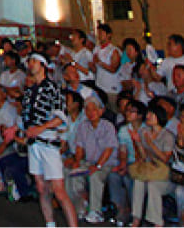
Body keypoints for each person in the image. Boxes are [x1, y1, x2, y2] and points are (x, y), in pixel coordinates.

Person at [19, 53, 78, 227]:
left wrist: (41, 128)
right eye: (30, 61)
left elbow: (61, 117)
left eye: (34, 61)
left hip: (48, 141)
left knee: (58, 190)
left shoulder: (53, 88)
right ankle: (50, 223)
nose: (31, 64)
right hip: (34, 143)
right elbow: (26, 118)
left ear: (43, 65)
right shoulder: (29, 91)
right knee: (41, 187)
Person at [65, 93, 118, 224]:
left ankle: (96, 211)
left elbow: (109, 149)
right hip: (89, 162)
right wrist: (77, 162)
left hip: (106, 164)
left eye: (94, 109)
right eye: (87, 110)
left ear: (101, 111)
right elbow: (79, 147)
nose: (91, 113)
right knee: (72, 172)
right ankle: (80, 207)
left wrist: (98, 165)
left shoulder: (108, 126)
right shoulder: (83, 126)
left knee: (95, 175)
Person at [127, 101, 174, 228]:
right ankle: (136, 219)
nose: (147, 117)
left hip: (164, 175)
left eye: (151, 115)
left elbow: (165, 159)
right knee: (138, 181)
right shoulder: (145, 131)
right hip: (150, 170)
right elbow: (144, 156)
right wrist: (138, 142)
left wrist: (151, 144)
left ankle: (157, 222)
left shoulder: (167, 136)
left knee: (153, 185)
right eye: (148, 114)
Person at [93, 24, 124, 112]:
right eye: (98, 33)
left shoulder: (113, 50)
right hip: (100, 86)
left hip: (111, 88)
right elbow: (95, 69)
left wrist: (100, 63)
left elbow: (113, 69)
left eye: (101, 33)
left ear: (109, 35)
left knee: (113, 110)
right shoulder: (96, 49)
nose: (99, 35)